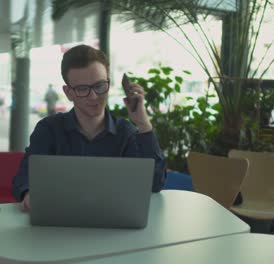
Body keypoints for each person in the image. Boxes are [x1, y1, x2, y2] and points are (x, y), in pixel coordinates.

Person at [12, 44, 166, 211]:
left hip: (114, 224)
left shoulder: (126, 133)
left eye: (100, 86)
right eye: (82, 89)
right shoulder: (49, 130)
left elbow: (155, 184)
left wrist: (143, 124)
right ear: (68, 93)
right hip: (59, 226)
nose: (94, 97)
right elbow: (24, 177)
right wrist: (28, 193)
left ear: (108, 83)